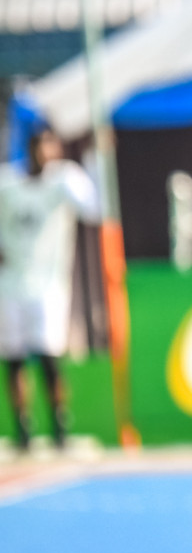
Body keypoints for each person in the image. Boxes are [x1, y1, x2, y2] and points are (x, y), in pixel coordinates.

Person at [0, 128, 101, 453]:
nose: (47, 151)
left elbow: (93, 207)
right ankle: (23, 431)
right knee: (14, 360)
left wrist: (97, 158)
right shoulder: (7, 184)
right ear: (29, 147)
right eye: (41, 144)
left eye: (52, 144)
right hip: (9, 283)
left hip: (47, 286)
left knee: (48, 358)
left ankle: (59, 428)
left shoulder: (63, 181)